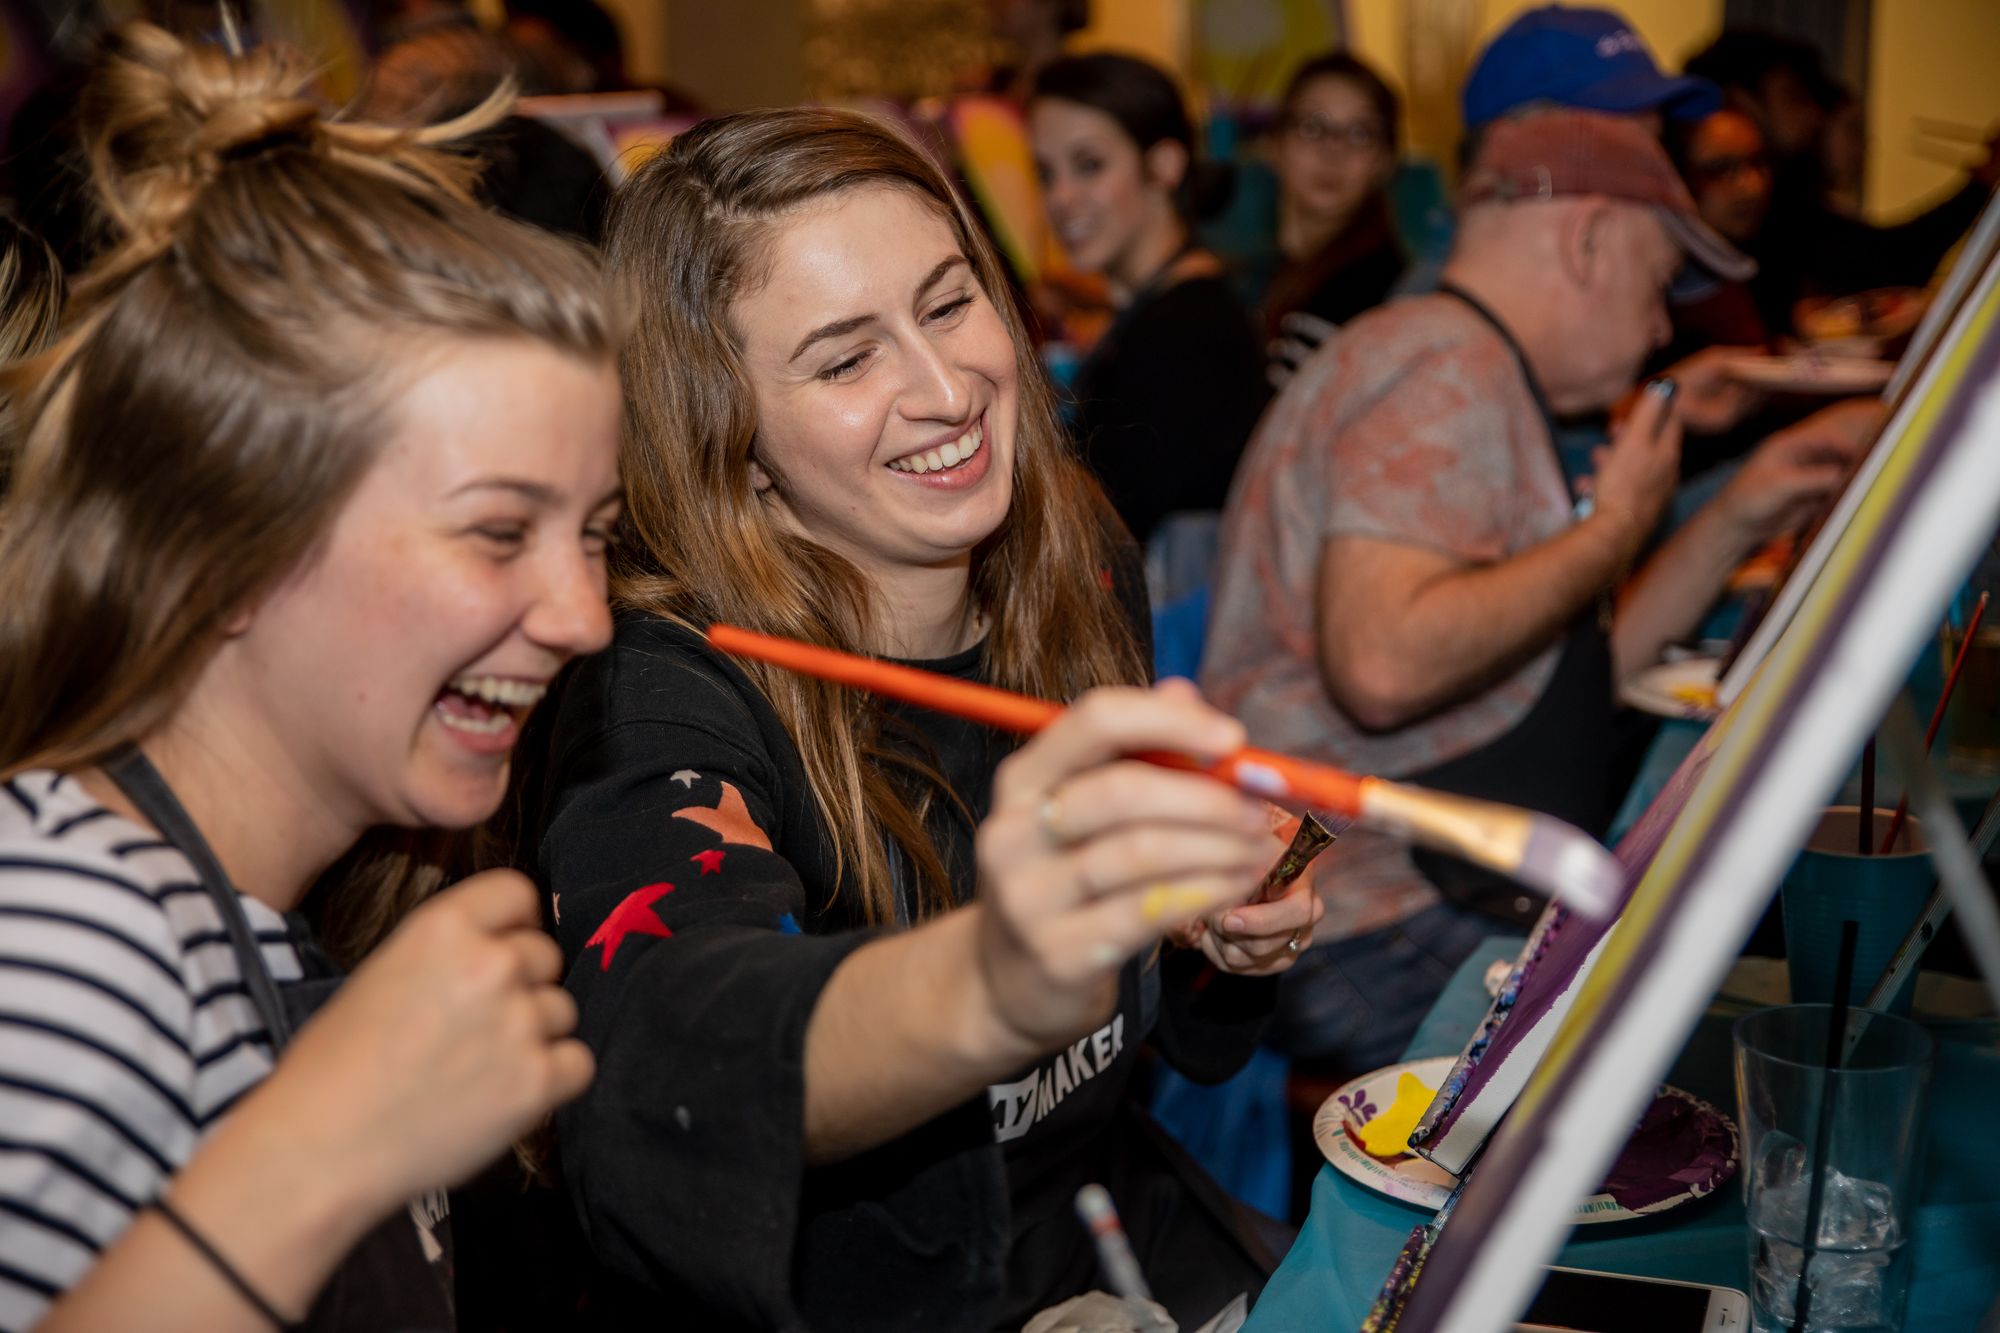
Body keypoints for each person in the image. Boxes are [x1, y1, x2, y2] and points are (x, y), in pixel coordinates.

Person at [515, 106, 1321, 1332]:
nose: (947, 390)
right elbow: (674, 1066)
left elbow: (1153, 1035)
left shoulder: (1077, 555)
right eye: (844, 361)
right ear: (728, 437)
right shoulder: (658, 689)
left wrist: (1209, 930)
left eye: (947, 305)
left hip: (1105, 1245)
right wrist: (996, 978)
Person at [0, 23, 619, 1331]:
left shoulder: (286, 923)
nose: (584, 617)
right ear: (229, 543)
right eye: (500, 532)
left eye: (598, 536)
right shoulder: (67, 937)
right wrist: (336, 1139)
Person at [1201, 111, 1863, 1075]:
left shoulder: (1467, 363)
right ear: (1588, 238)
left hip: (1406, 893)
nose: (1658, 322)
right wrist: (1611, 534)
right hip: (1361, 916)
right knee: (1687, 1070)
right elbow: (1382, 663)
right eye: (1656, 279)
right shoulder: (1447, 363)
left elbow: (1562, 678)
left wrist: (1738, 511)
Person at [1030, 52, 1267, 547]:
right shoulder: (1169, 309)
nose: (1061, 198)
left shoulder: (1188, 335)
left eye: (1088, 165)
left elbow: (1104, 536)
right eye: (1047, 174)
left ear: (1164, 166)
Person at [1686, 28, 1999, 325]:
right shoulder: (1711, 211)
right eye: (1793, 98)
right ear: (1743, 102)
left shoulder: (1786, 198)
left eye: (1756, 165)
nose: (1814, 116)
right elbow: (1886, 262)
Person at [1255, 52, 1406, 375]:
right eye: (1313, 127)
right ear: (1274, 145)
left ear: (1385, 160)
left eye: (1360, 133)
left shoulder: (1375, 291)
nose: (1333, 151)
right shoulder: (1250, 270)